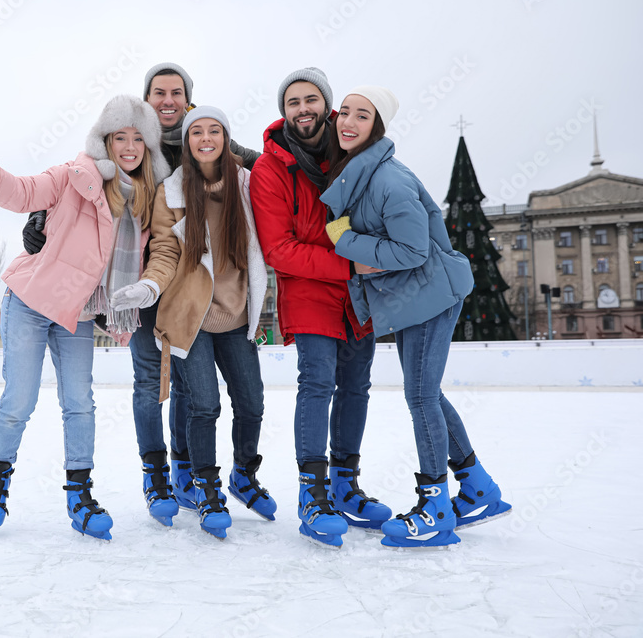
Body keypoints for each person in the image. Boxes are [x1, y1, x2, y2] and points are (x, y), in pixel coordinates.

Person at [23, 63, 263, 526]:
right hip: (139, 283)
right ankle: (156, 475)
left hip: (193, 292)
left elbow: (268, 160)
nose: (168, 100)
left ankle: (185, 471)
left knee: (192, 392)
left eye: (177, 92)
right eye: (159, 92)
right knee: (152, 385)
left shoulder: (207, 138)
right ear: (147, 99)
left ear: (189, 100)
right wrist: (38, 217)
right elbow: (76, 182)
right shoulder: (132, 143)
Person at [0, 95, 170, 541]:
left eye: (139, 138)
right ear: (105, 140)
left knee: (80, 402)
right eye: (121, 137)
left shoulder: (146, 203)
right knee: (20, 400)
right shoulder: (73, 176)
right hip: (30, 301)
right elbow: (17, 192)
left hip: (78, 313)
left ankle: (80, 495)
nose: (130, 146)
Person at [320, 86, 512, 548]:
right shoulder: (361, 174)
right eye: (344, 112)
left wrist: (344, 241)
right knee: (427, 393)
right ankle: (477, 486)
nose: (348, 121)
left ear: (377, 127)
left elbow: (411, 249)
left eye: (361, 116)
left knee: (421, 396)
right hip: (414, 300)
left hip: (431, 296)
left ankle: (435, 508)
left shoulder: (389, 179)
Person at [111, 106, 275, 540]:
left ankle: (244, 473)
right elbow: (165, 249)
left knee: (253, 403)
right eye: (196, 131)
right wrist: (148, 286)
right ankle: (207, 487)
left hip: (236, 314)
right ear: (186, 141)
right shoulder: (173, 190)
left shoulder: (246, 182)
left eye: (214, 130)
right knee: (204, 405)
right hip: (192, 315)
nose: (205, 138)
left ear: (225, 137)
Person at [249, 68, 391, 549]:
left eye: (311, 100)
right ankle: (312, 494)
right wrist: (351, 266)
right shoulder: (271, 170)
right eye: (293, 102)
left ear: (325, 104)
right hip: (311, 289)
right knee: (317, 384)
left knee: (357, 388)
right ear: (283, 110)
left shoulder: (351, 148)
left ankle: (345, 486)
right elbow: (279, 249)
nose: (302, 109)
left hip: (359, 295)